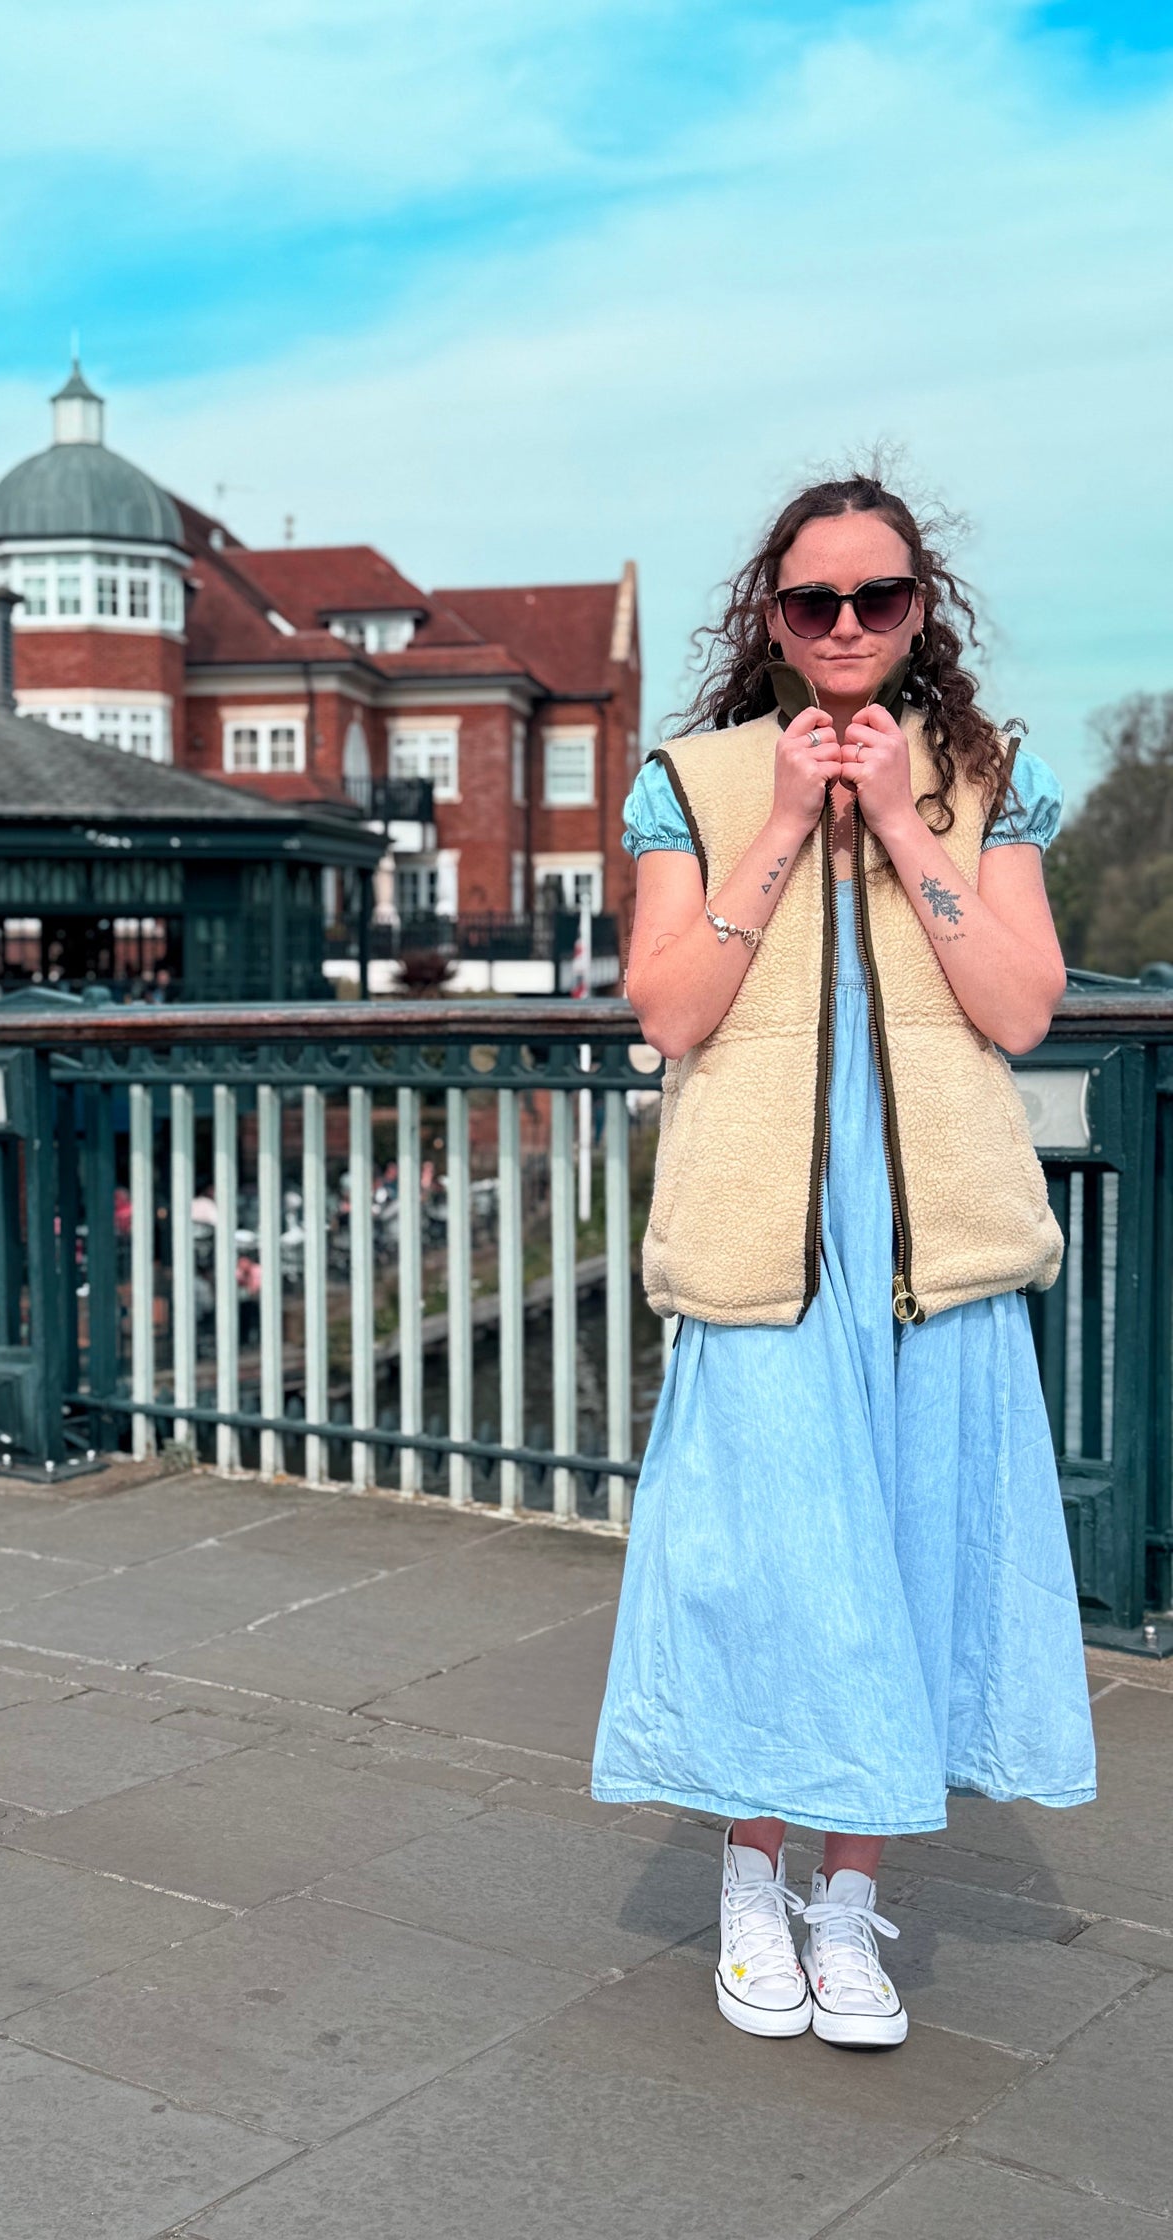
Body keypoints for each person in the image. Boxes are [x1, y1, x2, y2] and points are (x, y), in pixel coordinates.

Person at [592, 473, 1094, 2053]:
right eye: (817, 603)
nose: (850, 628)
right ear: (773, 616)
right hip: (768, 1241)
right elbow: (669, 1012)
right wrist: (792, 823)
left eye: (881, 599)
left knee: (907, 1555)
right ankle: (753, 1883)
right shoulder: (697, 781)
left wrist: (892, 814)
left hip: (929, 1243)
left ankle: (846, 1900)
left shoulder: (984, 773)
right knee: (769, 1568)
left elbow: (1020, 1008)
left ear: (920, 610)